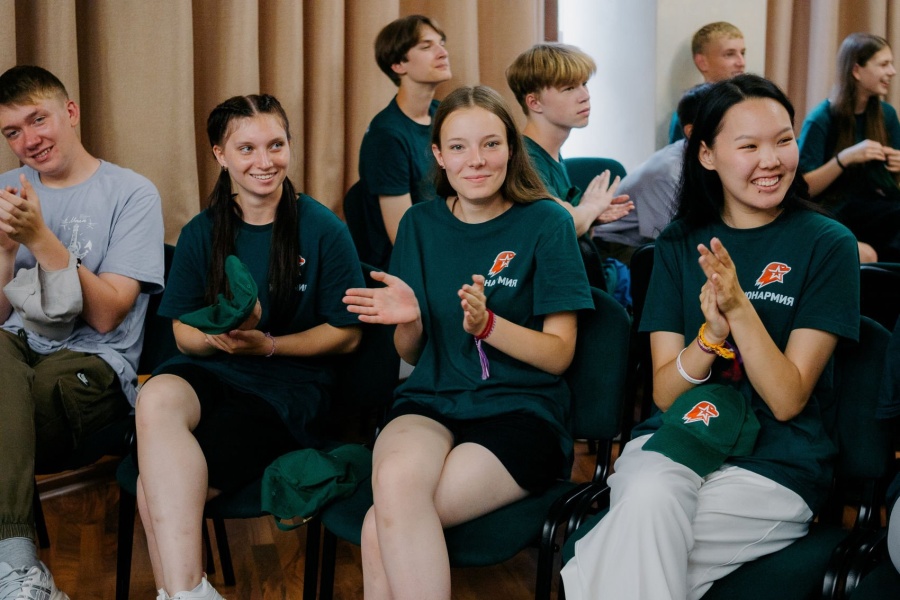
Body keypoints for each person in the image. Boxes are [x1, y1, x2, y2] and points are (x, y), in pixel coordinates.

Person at [561, 74, 860, 599]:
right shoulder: (680, 242)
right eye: (749, 146)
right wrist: (708, 338)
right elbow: (664, 393)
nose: (772, 160)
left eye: (784, 140)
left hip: (776, 464)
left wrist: (741, 310)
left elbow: (787, 398)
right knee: (649, 501)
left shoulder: (827, 244)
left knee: (620, 544)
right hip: (679, 434)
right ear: (706, 155)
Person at [344, 85, 593, 600]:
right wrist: (410, 322)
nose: (475, 160)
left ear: (511, 149)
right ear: (438, 155)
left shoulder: (547, 222)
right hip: (430, 402)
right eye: (458, 147)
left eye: (491, 144)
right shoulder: (418, 224)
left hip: (521, 412)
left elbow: (558, 354)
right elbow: (412, 355)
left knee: (377, 526)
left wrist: (488, 326)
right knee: (393, 487)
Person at [134, 94, 363, 600]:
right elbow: (182, 334)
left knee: (157, 485)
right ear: (220, 155)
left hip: (286, 391)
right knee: (155, 396)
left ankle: (181, 593)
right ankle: (189, 593)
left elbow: (347, 334)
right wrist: (221, 336)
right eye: (247, 148)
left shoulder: (323, 229)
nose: (265, 161)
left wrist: (268, 345)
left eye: (276, 145)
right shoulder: (202, 232)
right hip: (216, 371)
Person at [0, 65, 164, 599]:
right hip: (15, 353)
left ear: (70, 112)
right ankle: (19, 570)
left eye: (38, 119)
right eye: (12, 132)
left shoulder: (132, 193)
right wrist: (4, 253)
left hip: (93, 364)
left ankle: (15, 570)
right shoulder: (5, 190)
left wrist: (40, 239)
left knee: (27, 397)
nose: (29, 141)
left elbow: (108, 315)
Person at [505, 43, 633, 239]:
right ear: (534, 103)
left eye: (584, 84)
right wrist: (591, 207)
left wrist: (588, 216)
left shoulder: (551, 153)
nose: (585, 96)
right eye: (569, 88)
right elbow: (559, 227)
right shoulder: (525, 161)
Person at [357, 14, 452, 270]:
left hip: (450, 238)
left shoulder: (444, 114)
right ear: (398, 64)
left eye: (441, 43)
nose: (442, 52)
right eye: (426, 46)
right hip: (410, 267)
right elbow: (404, 238)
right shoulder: (386, 136)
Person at [798, 32, 900, 263]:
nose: (892, 72)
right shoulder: (820, 119)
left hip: (876, 208)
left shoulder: (887, 115)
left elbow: (891, 184)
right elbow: (804, 189)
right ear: (856, 71)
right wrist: (844, 158)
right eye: (884, 64)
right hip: (835, 210)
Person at [593, 83, 712, 262]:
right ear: (691, 132)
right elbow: (673, 239)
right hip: (616, 246)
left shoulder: (705, 156)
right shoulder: (669, 172)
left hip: (654, 241)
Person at [669, 21, 746, 143]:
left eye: (742, 53)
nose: (741, 62)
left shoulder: (750, 103)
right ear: (702, 62)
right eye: (729, 54)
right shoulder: (690, 112)